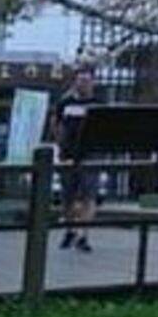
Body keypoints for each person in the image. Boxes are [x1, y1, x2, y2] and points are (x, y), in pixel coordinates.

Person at [54, 68, 100, 252]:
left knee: (88, 195)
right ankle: (70, 229)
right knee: (68, 196)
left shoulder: (98, 104)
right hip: (68, 154)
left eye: (87, 81)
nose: (83, 84)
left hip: (90, 155)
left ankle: (83, 234)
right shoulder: (65, 103)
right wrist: (60, 144)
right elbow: (56, 124)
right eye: (80, 80)